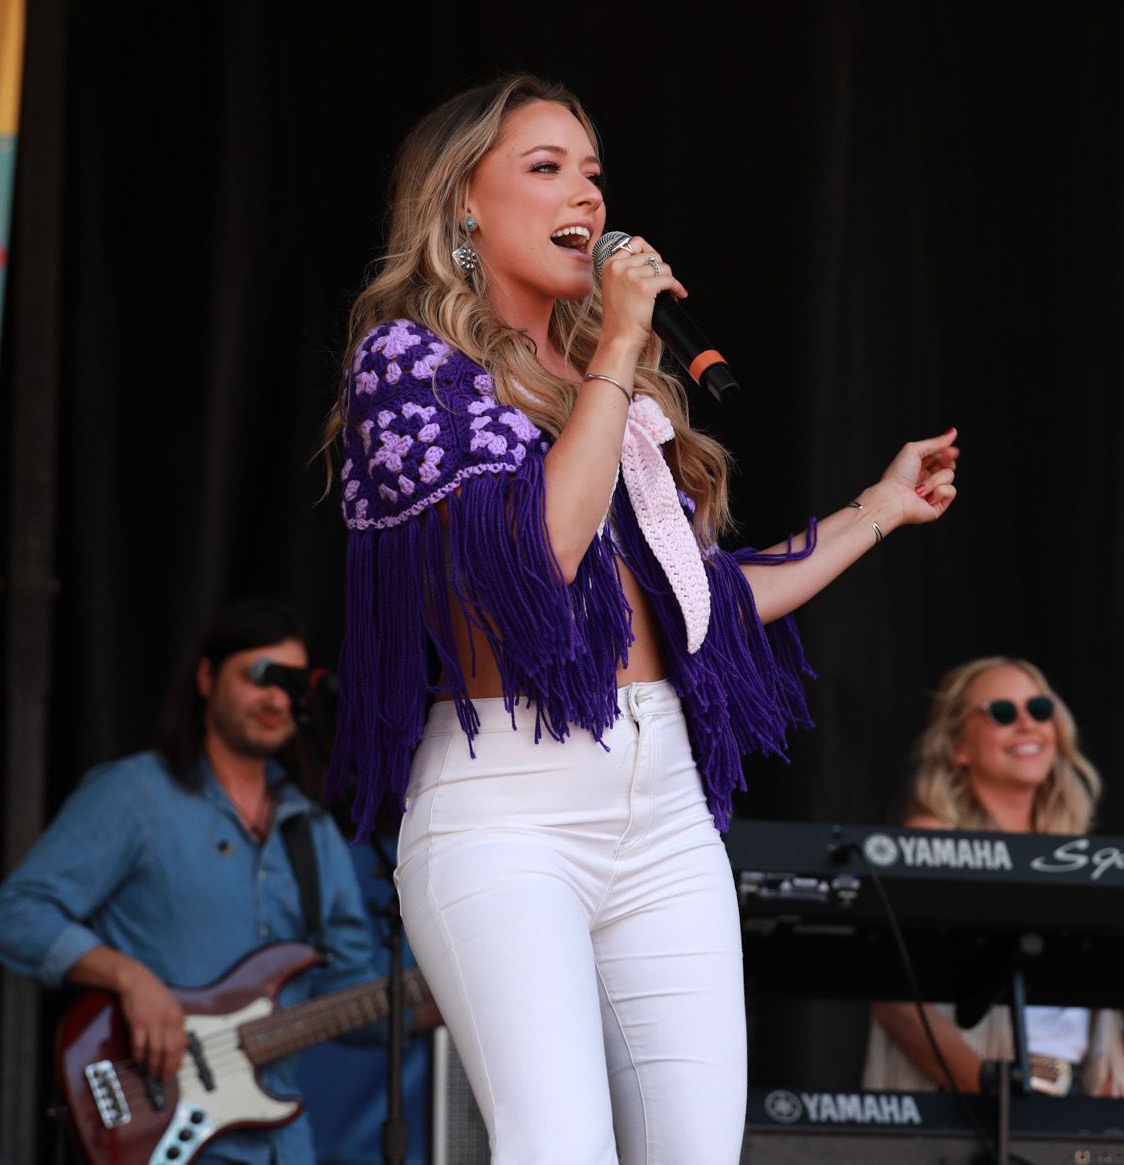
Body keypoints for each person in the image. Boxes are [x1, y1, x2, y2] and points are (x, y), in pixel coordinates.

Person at [322, 72, 960, 1163]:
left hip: (663, 805)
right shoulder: (412, 367)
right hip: (507, 810)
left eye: (592, 172)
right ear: (461, 203)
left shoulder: (610, 384)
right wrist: (615, 352)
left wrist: (876, 510)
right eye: (545, 166)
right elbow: (537, 557)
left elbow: (698, 602)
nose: (586, 193)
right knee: (557, 1148)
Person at [0, 597, 388, 1165]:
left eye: (290, 685)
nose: (275, 699)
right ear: (206, 677)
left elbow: (352, 999)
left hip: (282, 1147)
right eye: (258, 676)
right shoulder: (135, 794)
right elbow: (14, 914)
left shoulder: (314, 830)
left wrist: (448, 997)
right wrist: (130, 979)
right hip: (160, 1134)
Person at [865, 655, 1124, 1099]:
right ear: (959, 747)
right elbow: (897, 1003)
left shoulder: (1076, 855)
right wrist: (997, 1094)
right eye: (1003, 714)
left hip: (1068, 1103)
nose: (1027, 725)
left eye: (1039, 710)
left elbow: (1099, 1018)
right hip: (975, 1101)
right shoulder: (932, 843)